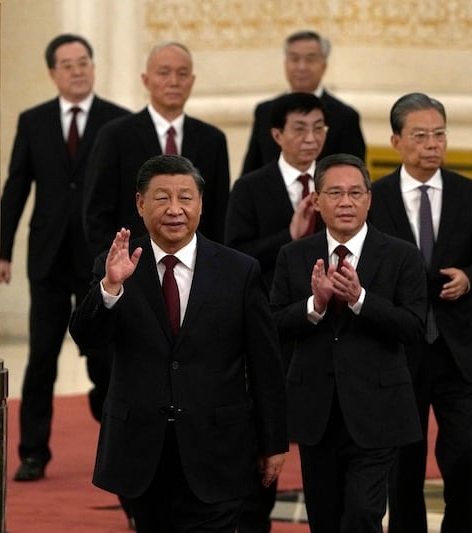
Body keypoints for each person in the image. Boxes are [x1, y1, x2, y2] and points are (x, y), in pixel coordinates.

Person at [69, 155, 288, 533]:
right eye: (161, 198)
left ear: (201, 204)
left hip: (217, 446)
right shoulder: (116, 265)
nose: (175, 209)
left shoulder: (239, 271)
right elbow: (87, 337)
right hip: (143, 449)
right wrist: (110, 289)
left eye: (185, 198)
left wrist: (273, 442)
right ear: (140, 204)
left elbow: (265, 364)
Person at [368, 92, 472, 533]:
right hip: (400, 351)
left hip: (456, 350)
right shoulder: (377, 197)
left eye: (440, 134)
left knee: (466, 454)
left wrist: (468, 277)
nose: (432, 144)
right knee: (404, 462)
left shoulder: (469, 193)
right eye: (421, 135)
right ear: (396, 140)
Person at [269, 153, 426, 532]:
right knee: (325, 519)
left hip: (378, 411)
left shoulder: (402, 255)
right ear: (316, 201)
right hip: (316, 410)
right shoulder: (294, 256)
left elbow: (413, 327)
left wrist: (361, 300)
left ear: (369, 199)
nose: (346, 202)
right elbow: (272, 325)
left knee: (362, 514)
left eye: (356, 193)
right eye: (335, 193)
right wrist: (314, 305)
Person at [0, 33, 131, 484]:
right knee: (42, 359)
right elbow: (16, 187)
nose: (77, 70)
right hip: (49, 257)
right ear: (53, 72)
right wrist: (3, 250)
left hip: (100, 259)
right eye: (67, 64)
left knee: (105, 358)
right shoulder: (33, 121)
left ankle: (117, 440)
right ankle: (33, 453)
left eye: (84, 62)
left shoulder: (118, 122)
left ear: (93, 68)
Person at [224, 92, 326, 532]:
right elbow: (235, 256)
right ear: (277, 134)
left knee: (323, 444)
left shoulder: (340, 184)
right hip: (268, 331)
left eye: (319, 128)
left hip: (327, 332)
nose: (310, 138)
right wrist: (288, 235)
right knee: (264, 442)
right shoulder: (250, 187)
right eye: (300, 129)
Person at [83, 41, 230, 258]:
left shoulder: (212, 139)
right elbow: (96, 213)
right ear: (146, 80)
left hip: (195, 269)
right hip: (131, 265)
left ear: (192, 81)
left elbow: (219, 214)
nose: (173, 82)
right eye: (164, 73)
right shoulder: (116, 135)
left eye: (182, 74)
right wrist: (113, 262)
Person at [240, 30, 365, 174]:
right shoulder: (265, 111)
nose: (301, 67)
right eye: (294, 59)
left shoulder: (345, 116)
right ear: (285, 63)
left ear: (324, 65)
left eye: (310, 59)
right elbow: (250, 171)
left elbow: (355, 176)